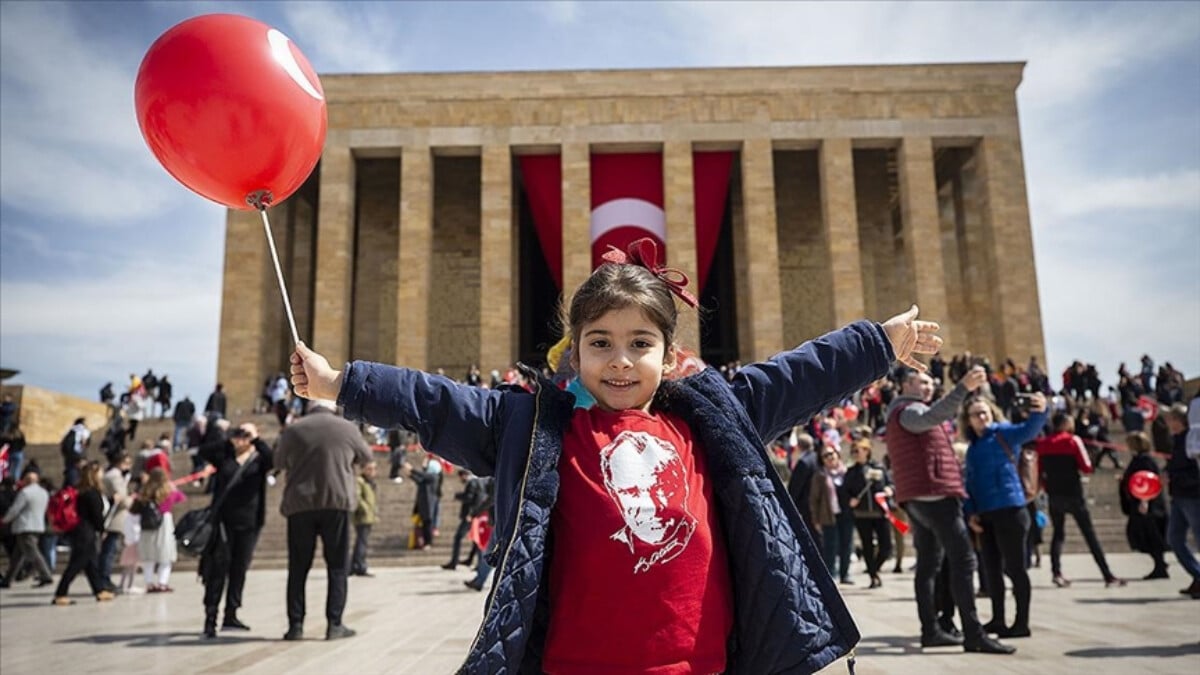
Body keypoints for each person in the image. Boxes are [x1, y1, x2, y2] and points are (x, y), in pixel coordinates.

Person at [288, 238, 942, 672]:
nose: (621, 360)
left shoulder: (714, 416)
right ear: (574, 351)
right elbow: (435, 403)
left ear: (669, 352)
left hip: (702, 665)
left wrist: (878, 342)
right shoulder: (532, 426)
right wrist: (341, 383)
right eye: (600, 342)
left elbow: (798, 376)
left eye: (640, 343)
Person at [886, 365, 1014, 653]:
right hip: (934, 494)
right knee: (964, 560)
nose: (929, 387)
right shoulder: (909, 410)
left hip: (920, 496)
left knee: (929, 564)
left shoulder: (904, 411)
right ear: (905, 385)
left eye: (931, 382)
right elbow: (932, 417)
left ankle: (931, 631)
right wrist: (963, 388)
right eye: (922, 382)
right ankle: (973, 634)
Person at [275, 399, 373, 642]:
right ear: (333, 407)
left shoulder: (294, 429)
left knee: (298, 568)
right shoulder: (348, 428)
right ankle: (334, 624)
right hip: (336, 502)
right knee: (337, 566)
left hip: (300, 504)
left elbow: (278, 462)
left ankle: (296, 626)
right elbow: (366, 456)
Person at [959, 393, 1047, 639]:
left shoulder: (1003, 433)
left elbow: (1030, 430)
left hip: (1011, 509)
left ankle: (1021, 623)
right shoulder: (973, 448)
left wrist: (1040, 411)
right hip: (985, 514)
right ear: (968, 420)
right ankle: (998, 619)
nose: (981, 417)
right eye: (976, 414)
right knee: (991, 570)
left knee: (1015, 569)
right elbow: (970, 484)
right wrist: (971, 512)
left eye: (984, 412)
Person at [196, 424, 274, 638]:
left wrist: (256, 439)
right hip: (223, 522)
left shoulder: (259, 460)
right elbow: (203, 451)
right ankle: (210, 616)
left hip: (250, 523)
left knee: (239, 569)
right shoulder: (224, 456)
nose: (242, 438)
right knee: (217, 569)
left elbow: (273, 460)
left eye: (245, 435)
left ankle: (231, 613)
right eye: (239, 434)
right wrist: (228, 439)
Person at [1036, 412, 1125, 588]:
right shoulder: (1073, 441)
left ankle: (1056, 573)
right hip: (1073, 493)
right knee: (1089, 535)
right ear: (1065, 424)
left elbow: (1039, 470)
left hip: (1054, 494)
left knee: (1058, 534)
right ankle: (1107, 574)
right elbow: (1087, 467)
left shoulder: (1043, 443)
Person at [52, 462, 115, 605]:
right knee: (76, 564)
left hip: (79, 530)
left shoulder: (81, 491)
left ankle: (99, 590)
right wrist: (102, 529)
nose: (102, 475)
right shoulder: (92, 493)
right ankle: (60, 593)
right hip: (86, 532)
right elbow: (96, 516)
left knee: (91, 564)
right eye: (100, 472)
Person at [844, 438, 894, 589]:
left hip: (880, 512)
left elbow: (890, 483)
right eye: (853, 451)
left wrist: (889, 490)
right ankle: (873, 576)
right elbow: (844, 492)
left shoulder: (879, 468)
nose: (855, 454)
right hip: (862, 514)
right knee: (867, 545)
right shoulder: (851, 472)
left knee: (886, 546)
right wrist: (850, 500)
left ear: (867, 451)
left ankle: (874, 569)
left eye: (857, 451)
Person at [1119, 431, 1169, 579]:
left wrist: (1144, 501)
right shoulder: (1140, 460)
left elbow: (1147, 481)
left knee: (1150, 535)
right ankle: (1160, 564)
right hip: (1143, 502)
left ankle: (1160, 565)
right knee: (1144, 534)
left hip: (1147, 504)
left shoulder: (1144, 461)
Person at [1163, 403, 1200, 598]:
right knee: (1174, 539)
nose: (1168, 423)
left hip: (1192, 495)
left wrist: (1174, 477)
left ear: (1178, 420)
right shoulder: (1177, 440)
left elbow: (1193, 469)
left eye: (1170, 419)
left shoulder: (1191, 438)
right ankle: (1197, 575)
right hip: (1178, 495)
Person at [0, 467, 54, 588]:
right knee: (17, 556)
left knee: (33, 552)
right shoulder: (43, 492)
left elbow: (15, 509)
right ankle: (8, 579)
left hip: (25, 526)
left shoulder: (25, 492)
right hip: (38, 525)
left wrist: (5, 520)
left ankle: (46, 575)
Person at [133, 467, 185, 593]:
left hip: (147, 524)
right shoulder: (168, 492)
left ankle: (149, 583)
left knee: (148, 556)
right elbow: (182, 498)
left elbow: (135, 507)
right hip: (164, 522)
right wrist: (174, 488)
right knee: (165, 555)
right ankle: (162, 583)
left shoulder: (145, 492)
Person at [809, 446, 854, 584]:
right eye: (825, 456)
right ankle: (831, 574)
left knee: (847, 544)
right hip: (828, 516)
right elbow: (814, 499)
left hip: (847, 514)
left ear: (838, 455)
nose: (829, 457)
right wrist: (816, 519)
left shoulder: (847, 472)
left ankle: (845, 574)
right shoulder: (820, 475)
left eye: (831, 454)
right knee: (831, 546)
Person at [99, 453, 133, 593]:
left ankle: (103, 577)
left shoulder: (114, 475)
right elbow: (122, 499)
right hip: (115, 518)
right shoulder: (115, 476)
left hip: (116, 518)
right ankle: (104, 578)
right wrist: (132, 501)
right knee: (109, 550)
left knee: (109, 550)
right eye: (127, 463)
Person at [442, 469, 487, 571]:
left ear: (464, 475)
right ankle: (475, 562)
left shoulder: (472, 483)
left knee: (458, 537)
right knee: (476, 540)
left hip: (469, 516)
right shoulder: (479, 482)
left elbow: (469, 498)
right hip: (476, 515)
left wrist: (458, 496)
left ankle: (454, 562)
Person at [785, 430, 822, 549]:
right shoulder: (817, 457)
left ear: (798, 446)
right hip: (818, 502)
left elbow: (795, 487)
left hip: (806, 505)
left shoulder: (803, 462)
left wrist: (790, 505)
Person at [351, 460, 379, 577]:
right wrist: (366, 508)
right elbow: (357, 497)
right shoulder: (360, 481)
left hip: (369, 516)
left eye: (374, 469)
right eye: (369, 469)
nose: (372, 471)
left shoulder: (370, 483)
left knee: (362, 541)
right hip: (362, 516)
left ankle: (354, 565)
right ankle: (360, 565)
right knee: (361, 542)